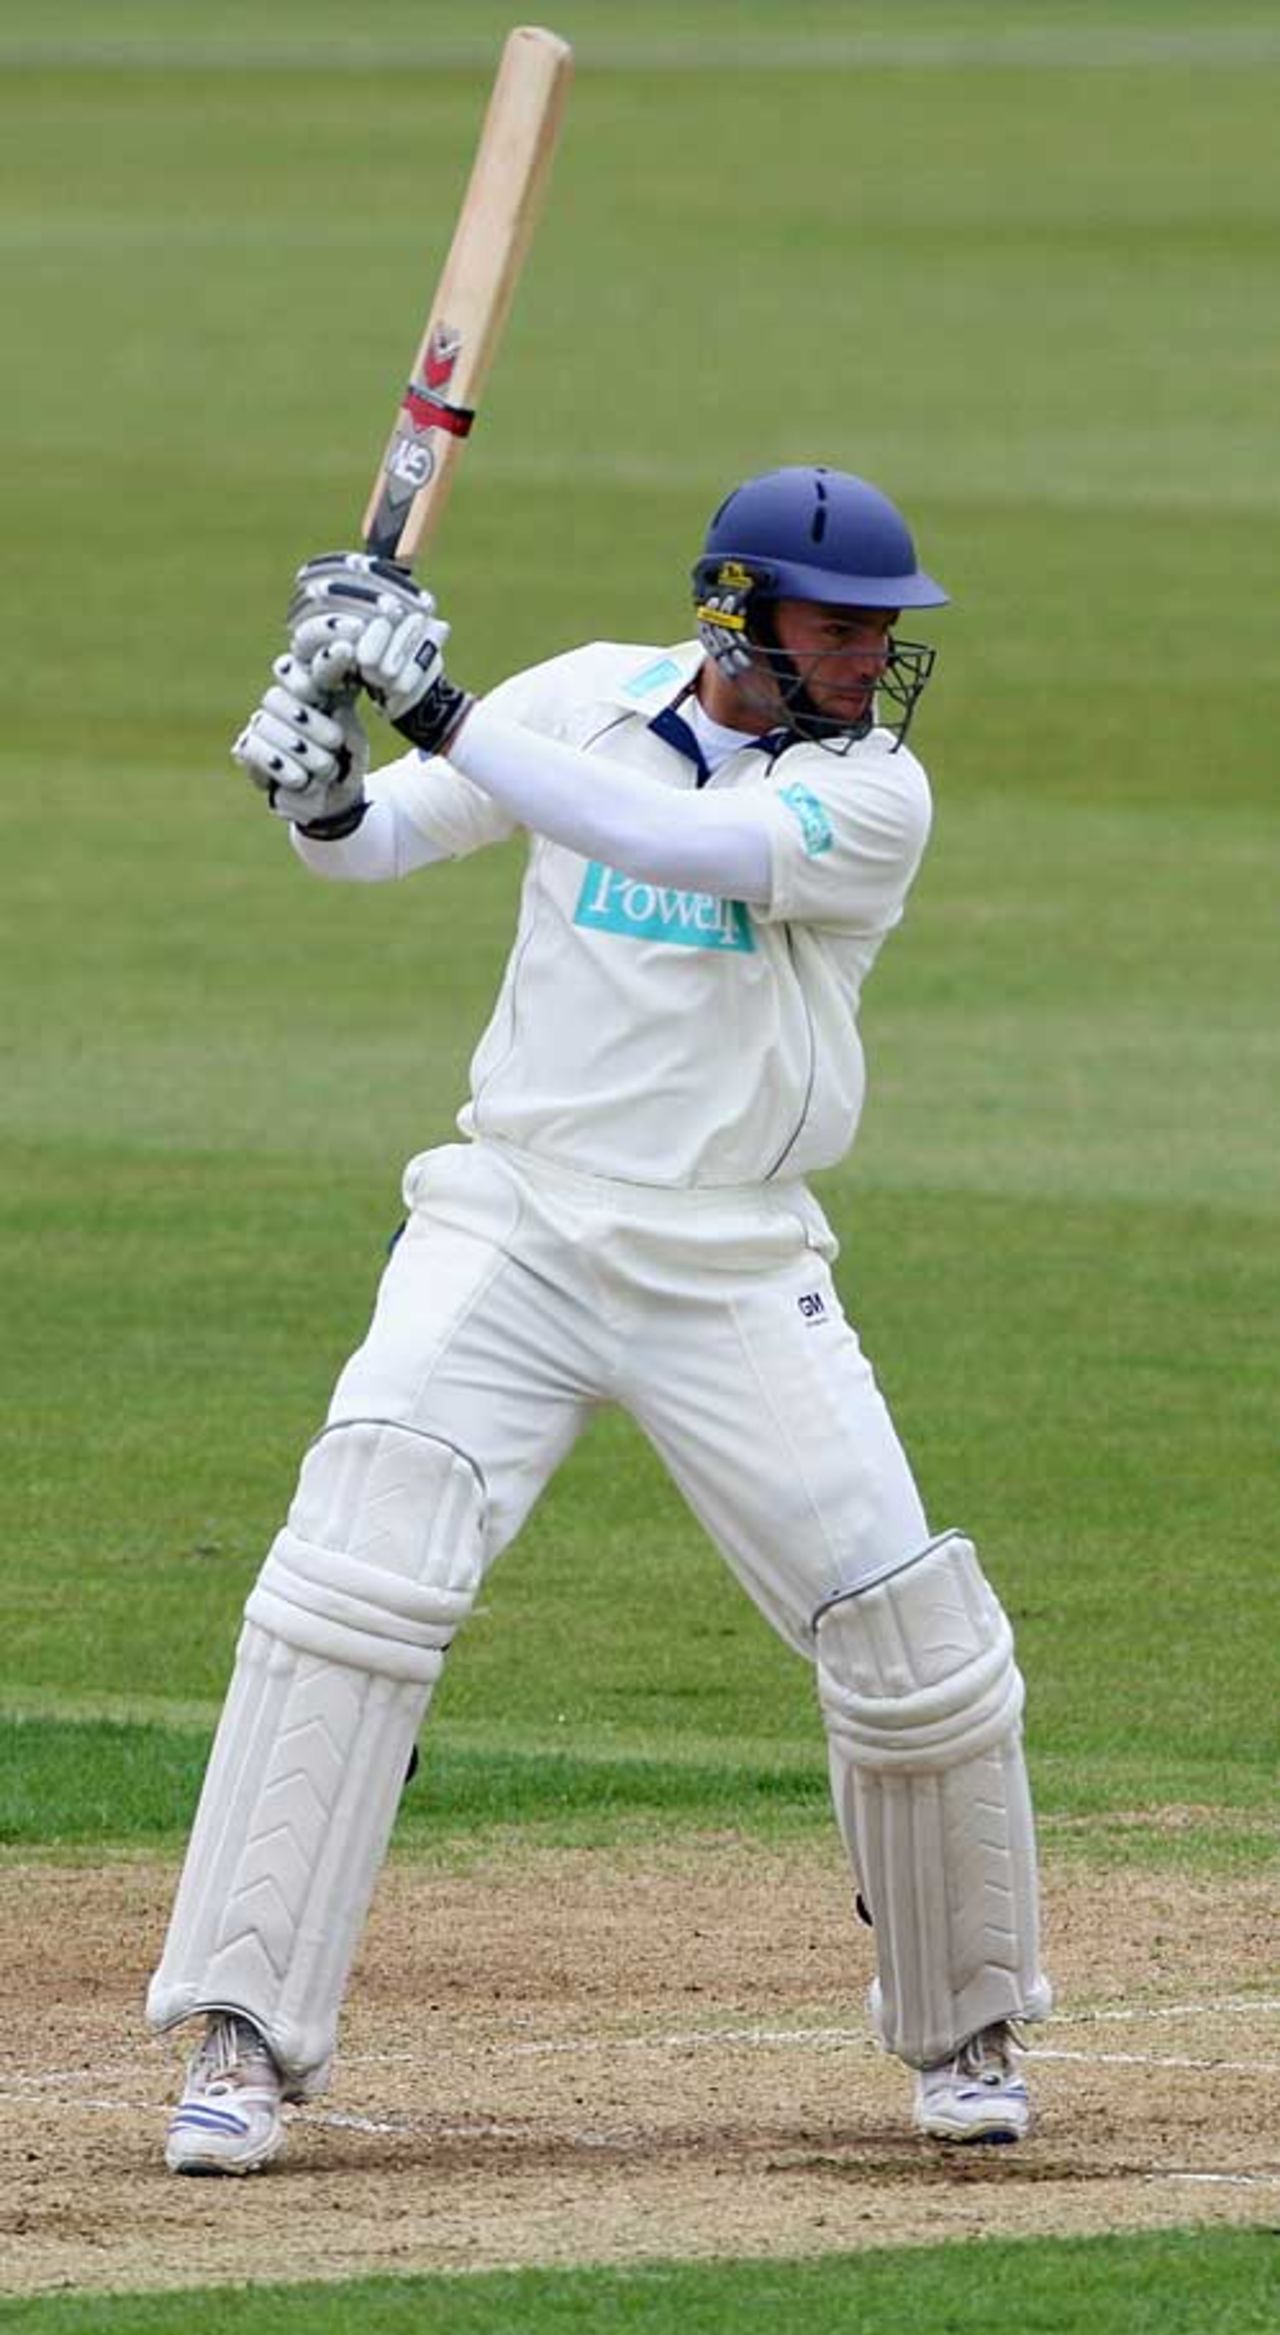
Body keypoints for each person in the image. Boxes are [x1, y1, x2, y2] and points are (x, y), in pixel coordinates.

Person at [147, 465, 1050, 2174]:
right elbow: (388, 843)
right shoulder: (582, 697)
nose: (869, 658)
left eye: (884, 632)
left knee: (914, 1647)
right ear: (737, 613)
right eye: (836, 627)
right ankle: (242, 2035)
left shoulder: (873, 799)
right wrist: (332, 791)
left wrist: (429, 696)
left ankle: (966, 2023)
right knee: (353, 1575)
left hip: (729, 1259)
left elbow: (668, 840)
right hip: (517, 1227)